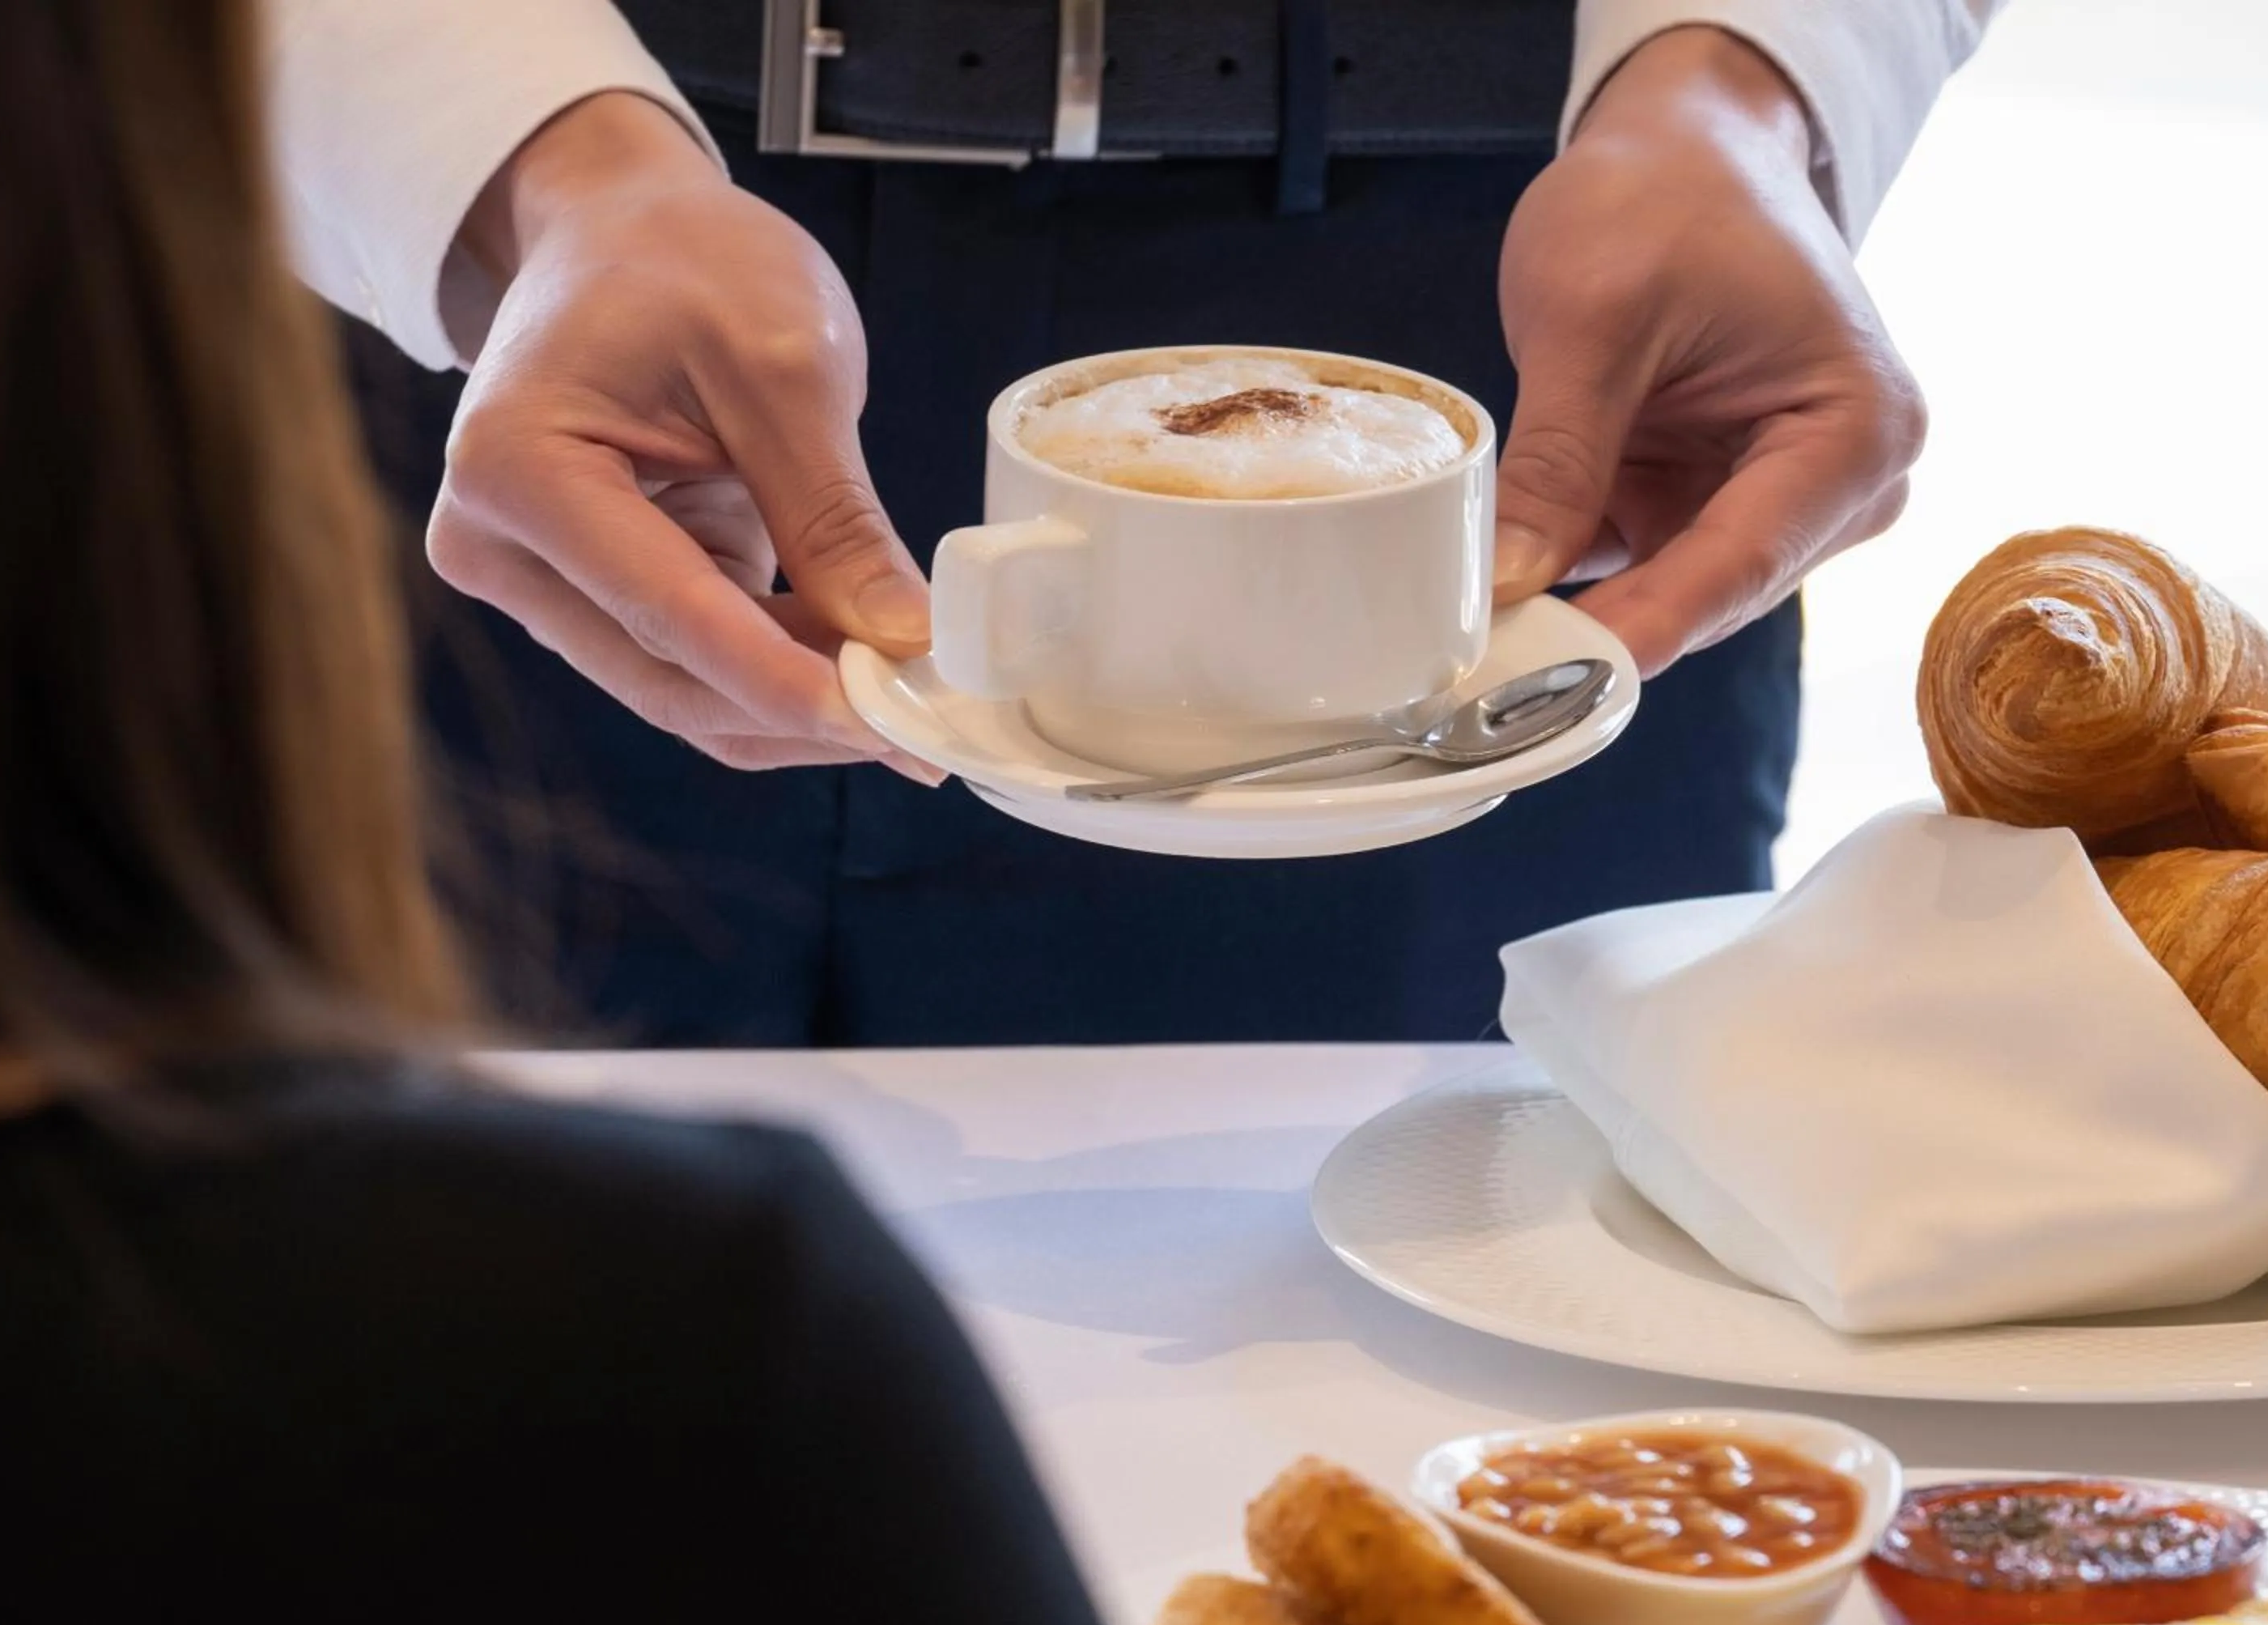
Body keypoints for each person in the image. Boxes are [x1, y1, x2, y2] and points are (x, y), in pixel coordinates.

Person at [0, 2, 1225, 1625]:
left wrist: (1749, 68)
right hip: (488, 300)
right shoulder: (695, 1350)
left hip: (1444, 249)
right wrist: (530, 155)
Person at [275, 0, 1998, 1045]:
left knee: (1453, 1393)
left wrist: (1751, 86)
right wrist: (523, 159)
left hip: (1529, 313)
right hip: (563, 325)